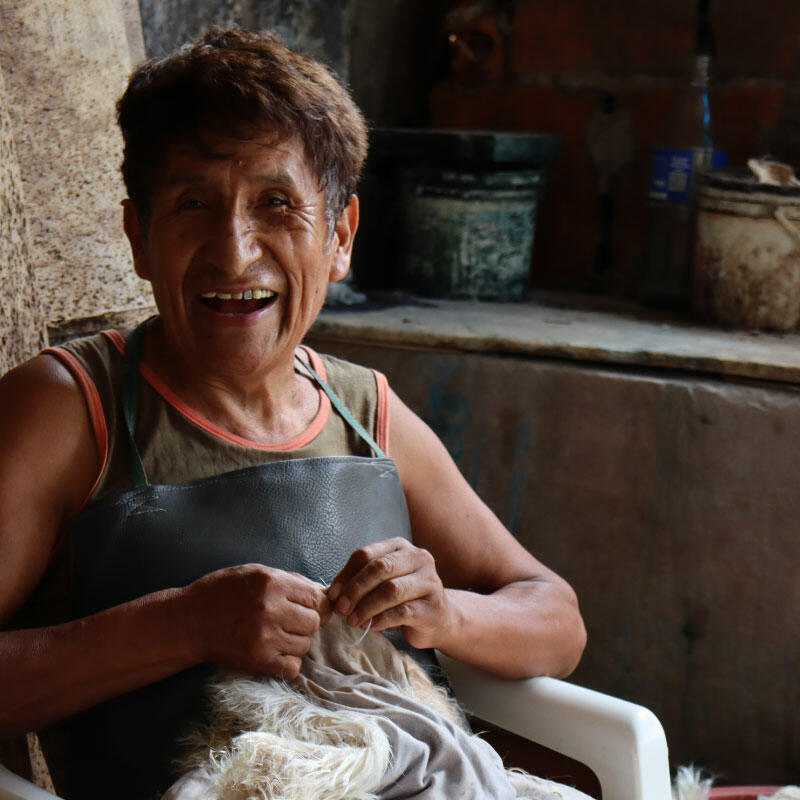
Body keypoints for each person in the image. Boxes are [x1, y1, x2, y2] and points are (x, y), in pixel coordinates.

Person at [0, 27, 586, 799]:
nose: (234, 253)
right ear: (139, 237)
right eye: (192, 204)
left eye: (275, 204)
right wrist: (182, 625)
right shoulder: (72, 409)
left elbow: (557, 619)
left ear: (339, 237)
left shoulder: (366, 412)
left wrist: (445, 614)